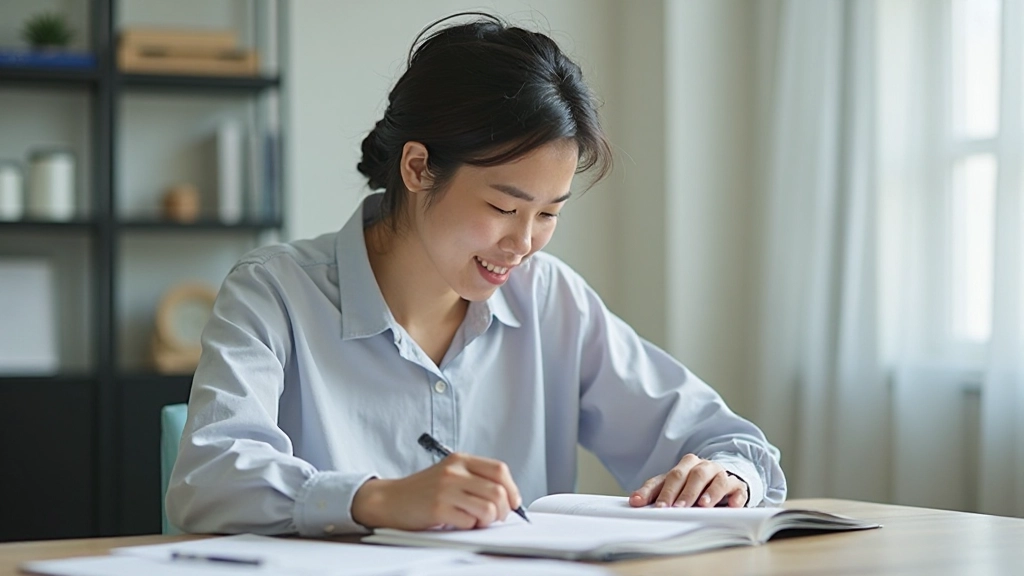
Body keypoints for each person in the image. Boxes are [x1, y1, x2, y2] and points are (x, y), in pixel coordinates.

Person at [166, 12, 787, 537]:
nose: (523, 243)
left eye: (548, 214)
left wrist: (724, 475)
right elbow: (207, 479)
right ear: (417, 167)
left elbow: (727, 439)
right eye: (502, 208)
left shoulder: (548, 299)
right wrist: (377, 499)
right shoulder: (274, 291)